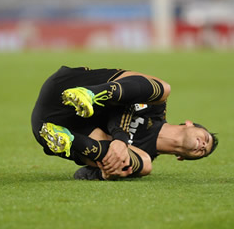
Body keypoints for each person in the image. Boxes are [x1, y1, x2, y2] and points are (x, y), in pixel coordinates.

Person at [31, 66, 218, 180]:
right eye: (205, 138)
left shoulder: (141, 157)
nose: (202, 146)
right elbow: (121, 107)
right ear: (189, 124)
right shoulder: (157, 109)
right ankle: (92, 94)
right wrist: (120, 139)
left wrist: (104, 174)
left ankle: (66, 140)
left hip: (50, 126)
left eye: (203, 151)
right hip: (67, 87)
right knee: (163, 89)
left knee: (144, 165)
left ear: (182, 158)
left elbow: (81, 173)